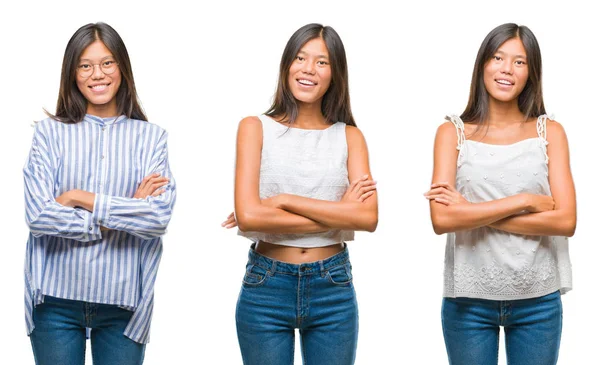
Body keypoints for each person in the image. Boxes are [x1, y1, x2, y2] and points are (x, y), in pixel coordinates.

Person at [222, 23, 378, 365]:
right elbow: (249, 217)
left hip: (332, 285)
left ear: (335, 73)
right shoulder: (255, 127)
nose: (308, 69)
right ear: (286, 66)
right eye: (300, 57)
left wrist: (281, 201)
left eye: (321, 62)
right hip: (267, 285)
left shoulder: (350, 137)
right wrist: (339, 213)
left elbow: (367, 218)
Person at [23, 22, 176, 365]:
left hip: (122, 304)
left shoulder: (151, 139)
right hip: (55, 301)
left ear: (122, 67)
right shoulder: (49, 135)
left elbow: (157, 218)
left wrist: (77, 197)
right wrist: (127, 211)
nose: (98, 74)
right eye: (85, 65)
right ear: (73, 73)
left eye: (107, 63)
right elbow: (38, 216)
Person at [425, 23, 576, 365]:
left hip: (538, 301)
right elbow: (442, 219)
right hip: (469, 302)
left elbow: (565, 220)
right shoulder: (452, 133)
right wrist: (525, 202)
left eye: (519, 62)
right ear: (482, 65)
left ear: (531, 73)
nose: (507, 69)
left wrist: (472, 213)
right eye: (498, 57)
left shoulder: (550, 132)